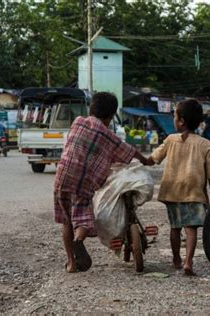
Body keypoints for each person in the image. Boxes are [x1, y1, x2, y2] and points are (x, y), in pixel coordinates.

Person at [54, 92, 151, 273]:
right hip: (83, 182)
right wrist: (147, 161)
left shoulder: (78, 122)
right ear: (111, 116)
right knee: (84, 218)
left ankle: (71, 263)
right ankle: (79, 240)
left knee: (66, 221)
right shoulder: (108, 136)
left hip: (62, 175)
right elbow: (129, 151)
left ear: (91, 109)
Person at [147, 99, 210, 276]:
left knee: (175, 227)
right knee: (191, 228)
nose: (173, 119)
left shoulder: (170, 140)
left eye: (174, 116)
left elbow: (152, 159)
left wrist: (134, 158)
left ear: (181, 121)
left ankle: (177, 259)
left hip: (172, 191)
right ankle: (188, 262)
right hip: (194, 192)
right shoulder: (206, 144)